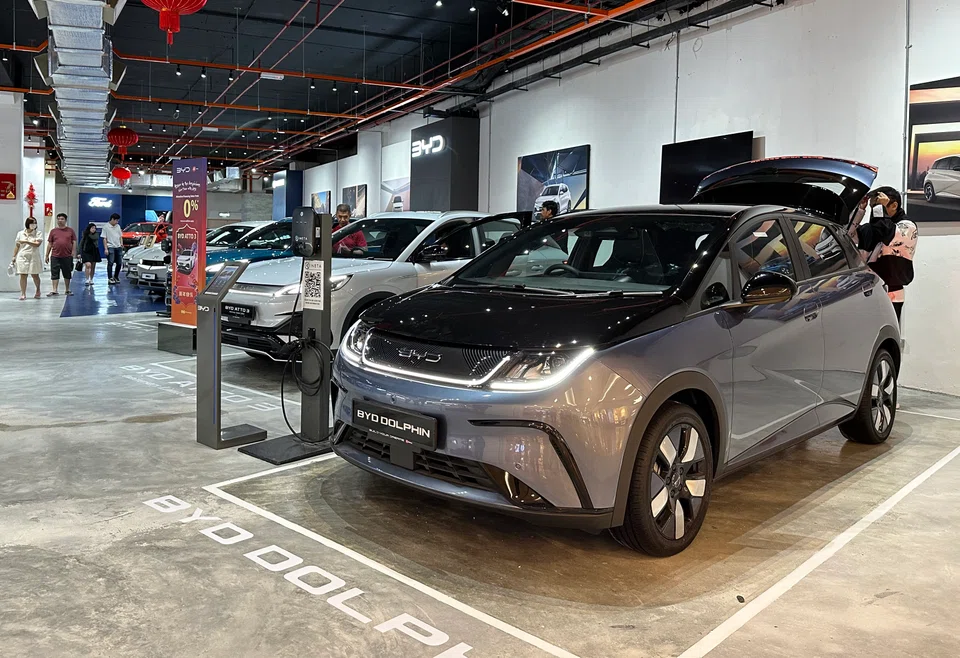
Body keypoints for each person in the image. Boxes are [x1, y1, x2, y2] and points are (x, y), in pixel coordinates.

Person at [847, 187, 917, 323]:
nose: (874, 210)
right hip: (866, 289)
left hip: (891, 292)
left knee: (887, 331)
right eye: (873, 206)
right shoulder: (872, 227)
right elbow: (847, 235)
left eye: (878, 205)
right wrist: (860, 210)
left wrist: (879, 209)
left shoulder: (908, 227)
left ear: (894, 205)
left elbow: (887, 234)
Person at [10, 217, 43, 300]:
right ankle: (23, 293)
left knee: (35, 275)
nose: (34, 225)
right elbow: (17, 246)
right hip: (22, 256)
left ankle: (38, 290)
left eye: (35, 223)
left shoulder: (38, 233)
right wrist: (14, 256)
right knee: (23, 275)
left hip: (33, 256)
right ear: (28, 224)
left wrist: (26, 241)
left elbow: (37, 244)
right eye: (32, 223)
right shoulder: (20, 233)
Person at [45, 212, 76, 296]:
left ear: (65, 220)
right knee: (54, 273)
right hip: (55, 255)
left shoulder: (70, 230)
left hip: (67, 255)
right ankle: (54, 290)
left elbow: (74, 242)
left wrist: (73, 252)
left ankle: (67, 289)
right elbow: (50, 243)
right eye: (58, 219)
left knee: (67, 272)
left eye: (62, 219)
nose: (60, 220)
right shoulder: (53, 231)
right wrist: (47, 255)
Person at [101, 213, 123, 284]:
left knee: (119, 263)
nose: (117, 222)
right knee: (110, 263)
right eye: (116, 220)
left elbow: (120, 236)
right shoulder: (106, 227)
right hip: (110, 247)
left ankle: (116, 276)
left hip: (118, 247)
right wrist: (106, 248)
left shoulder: (118, 226)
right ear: (112, 219)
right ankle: (110, 278)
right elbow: (104, 238)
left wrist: (121, 243)